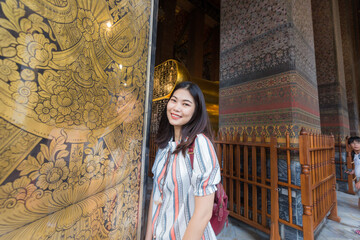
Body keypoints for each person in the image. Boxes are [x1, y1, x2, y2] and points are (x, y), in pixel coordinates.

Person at [145, 81, 221, 240]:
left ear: (196, 111)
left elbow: (203, 214)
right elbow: (156, 194)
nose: (176, 108)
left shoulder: (200, 144)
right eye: (173, 100)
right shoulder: (164, 146)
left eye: (185, 104)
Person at [345, 136, 360, 236]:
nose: (355, 144)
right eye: (353, 143)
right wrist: (353, 171)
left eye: (357, 142)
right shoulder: (355, 154)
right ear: (350, 145)